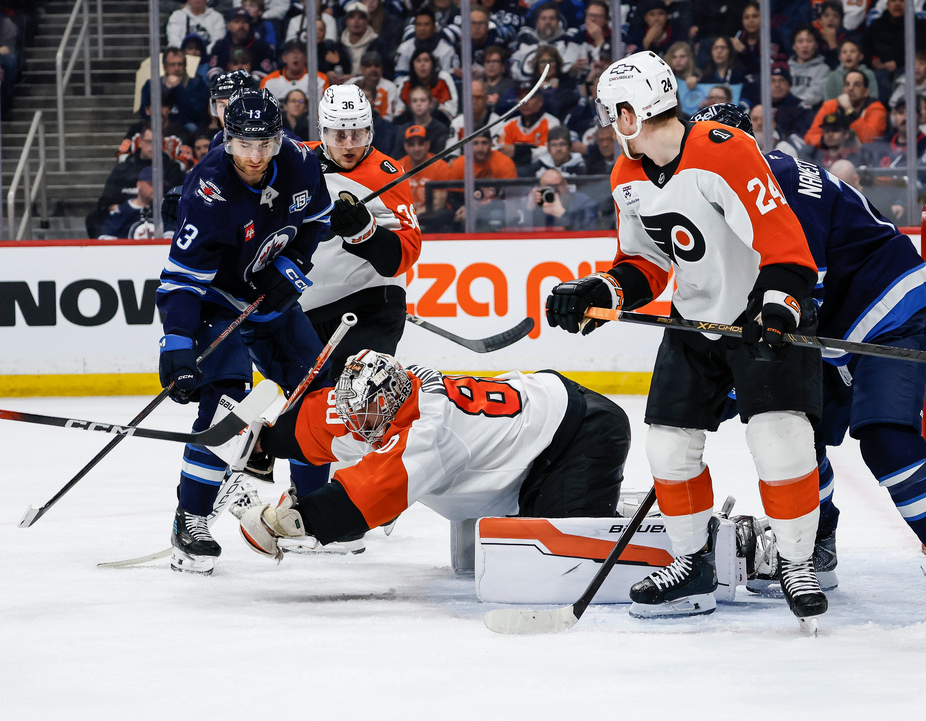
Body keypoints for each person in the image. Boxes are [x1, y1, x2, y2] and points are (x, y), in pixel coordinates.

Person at [545, 52, 827, 626]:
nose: (608, 121)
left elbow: (786, 246)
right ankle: (692, 562)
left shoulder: (724, 149)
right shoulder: (627, 174)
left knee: (780, 439)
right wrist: (599, 292)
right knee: (669, 447)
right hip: (694, 321)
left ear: (636, 109)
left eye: (614, 110)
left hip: (758, 315)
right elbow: (644, 263)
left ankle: (797, 562)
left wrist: (778, 307)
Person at [697, 102, 926, 619]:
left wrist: (735, 385)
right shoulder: (737, 190)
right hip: (823, 335)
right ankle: (819, 540)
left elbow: (798, 292)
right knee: (796, 436)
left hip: (887, 313)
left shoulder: (781, 186)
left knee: (885, 438)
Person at [155, 88, 335, 575]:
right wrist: (177, 345)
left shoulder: (299, 161)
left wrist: (294, 267)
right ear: (227, 140)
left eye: (265, 144)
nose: (255, 157)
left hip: (266, 297)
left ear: (280, 139)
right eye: (243, 145)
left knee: (315, 392)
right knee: (230, 401)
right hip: (216, 298)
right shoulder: (208, 189)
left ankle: (313, 508)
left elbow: (318, 219)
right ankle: (189, 519)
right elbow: (182, 281)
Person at [236, 351, 630, 565]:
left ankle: (640, 526)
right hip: (540, 411)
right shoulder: (394, 390)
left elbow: (367, 498)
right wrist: (267, 443)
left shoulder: (431, 432)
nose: (357, 424)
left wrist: (284, 521)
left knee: (564, 558)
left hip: (583, 433)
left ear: (391, 402)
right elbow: (329, 418)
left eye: (366, 416)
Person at [299, 84, 422, 377]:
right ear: (322, 131)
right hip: (305, 310)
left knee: (356, 399)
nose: (350, 144)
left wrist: (365, 232)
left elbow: (405, 254)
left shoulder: (385, 173)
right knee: (309, 409)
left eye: (359, 133)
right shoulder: (297, 161)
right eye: (340, 135)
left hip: (370, 303)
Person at [87, 124, 187, 238]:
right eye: (149, 142)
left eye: (157, 142)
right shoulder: (124, 168)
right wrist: (114, 206)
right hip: (127, 214)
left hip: (161, 214)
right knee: (94, 218)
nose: (153, 146)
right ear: (140, 142)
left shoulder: (172, 168)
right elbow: (106, 200)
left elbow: (180, 196)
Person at [804, 69, 887, 148]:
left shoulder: (876, 108)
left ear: (866, 92)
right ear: (843, 89)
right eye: (847, 84)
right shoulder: (830, 105)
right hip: (831, 153)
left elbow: (870, 141)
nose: (850, 88)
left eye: (856, 85)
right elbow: (810, 138)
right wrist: (829, 141)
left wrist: (850, 111)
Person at [395, 124, 450, 222]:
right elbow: (393, 199)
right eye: (412, 144)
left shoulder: (440, 166)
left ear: (428, 144)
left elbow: (439, 202)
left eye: (421, 144)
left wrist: (417, 214)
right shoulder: (397, 167)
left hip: (431, 218)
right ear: (405, 146)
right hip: (404, 218)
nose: (416, 149)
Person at [98, 167, 169, 240]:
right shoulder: (121, 212)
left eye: (159, 185)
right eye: (151, 184)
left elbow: (172, 234)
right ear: (139, 185)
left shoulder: (166, 210)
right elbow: (104, 237)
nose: (156, 189)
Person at [208, 8, 276, 81]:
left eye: (245, 22)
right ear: (228, 25)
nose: (241, 25)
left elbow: (265, 73)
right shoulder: (220, 45)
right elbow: (213, 71)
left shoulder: (261, 46)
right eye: (237, 22)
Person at [526, 167, 599, 230]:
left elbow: (589, 228)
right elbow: (521, 231)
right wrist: (529, 209)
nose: (553, 193)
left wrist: (562, 214)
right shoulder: (538, 203)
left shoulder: (583, 202)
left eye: (556, 187)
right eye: (547, 189)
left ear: (565, 184)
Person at [259, 39, 328, 104]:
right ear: (284, 58)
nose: (295, 56)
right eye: (291, 52)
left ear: (306, 58)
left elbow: (327, 110)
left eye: (299, 52)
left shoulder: (320, 80)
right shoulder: (268, 82)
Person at [393, 85, 451, 156]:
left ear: (430, 103)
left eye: (423, 100)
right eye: (414, 101)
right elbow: (397, 156)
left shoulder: (441, 129)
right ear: (410, 104)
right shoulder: (403, 130)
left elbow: (440, 157)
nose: (418, 104)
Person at [788, 24, 829, 109]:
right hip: (785, 108)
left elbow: (817, 94)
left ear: (816, 45)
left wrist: (798, 104)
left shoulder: (823, 69)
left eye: (809, 41)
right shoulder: (786, 68)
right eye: (800, 41)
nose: (805, 45)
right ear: (794, 46)